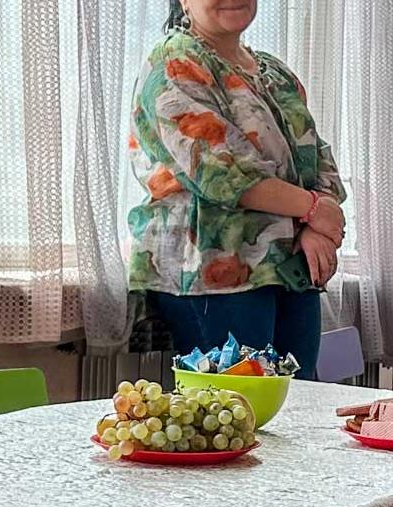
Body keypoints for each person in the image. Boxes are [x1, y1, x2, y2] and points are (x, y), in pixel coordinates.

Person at [127, 0, 346, 378]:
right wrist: (312, 209)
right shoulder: (175, 63)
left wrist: (317, 226)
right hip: (213, 272)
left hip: (291, 266)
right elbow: (220, 172)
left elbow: (318, 159)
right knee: (233, 415)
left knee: (302, 410)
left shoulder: (275, 72)